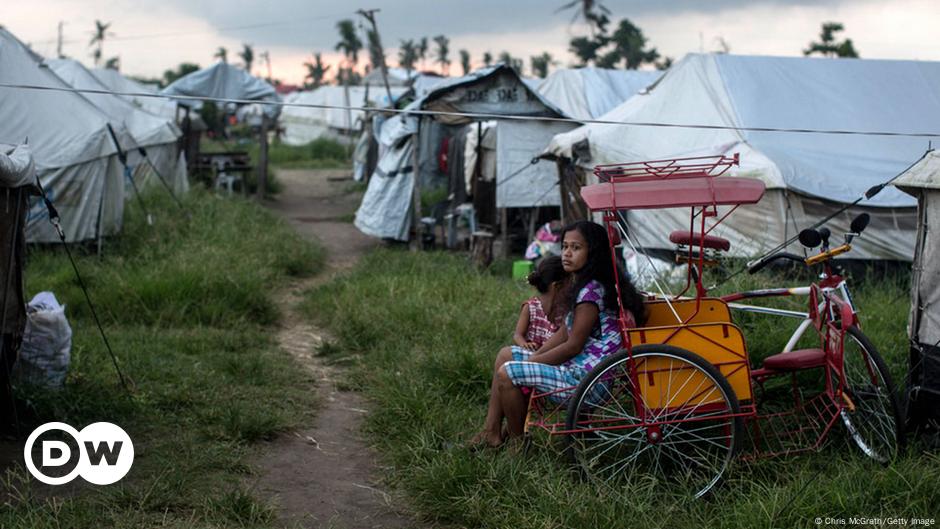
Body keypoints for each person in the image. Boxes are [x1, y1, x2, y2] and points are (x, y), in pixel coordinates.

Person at [471, 220, 646, 449]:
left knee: (508, 373)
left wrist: (533, 361)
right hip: (577, 369)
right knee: (506, 355)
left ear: (592, 253)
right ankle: (491, 432)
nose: (567, 253)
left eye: (576, 248)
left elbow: (572, 345)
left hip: (587, 382)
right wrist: (535, 358)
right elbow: (564, 332)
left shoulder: (591, 292)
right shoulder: (584, 284)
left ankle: (517, 444)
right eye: (564, 246)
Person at [512, 256, 567, 351]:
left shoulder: (566, 310)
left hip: (552, 356)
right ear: (558, 286)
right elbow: (518, 334)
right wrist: (524, 344)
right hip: (531, 353)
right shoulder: (530, 307)